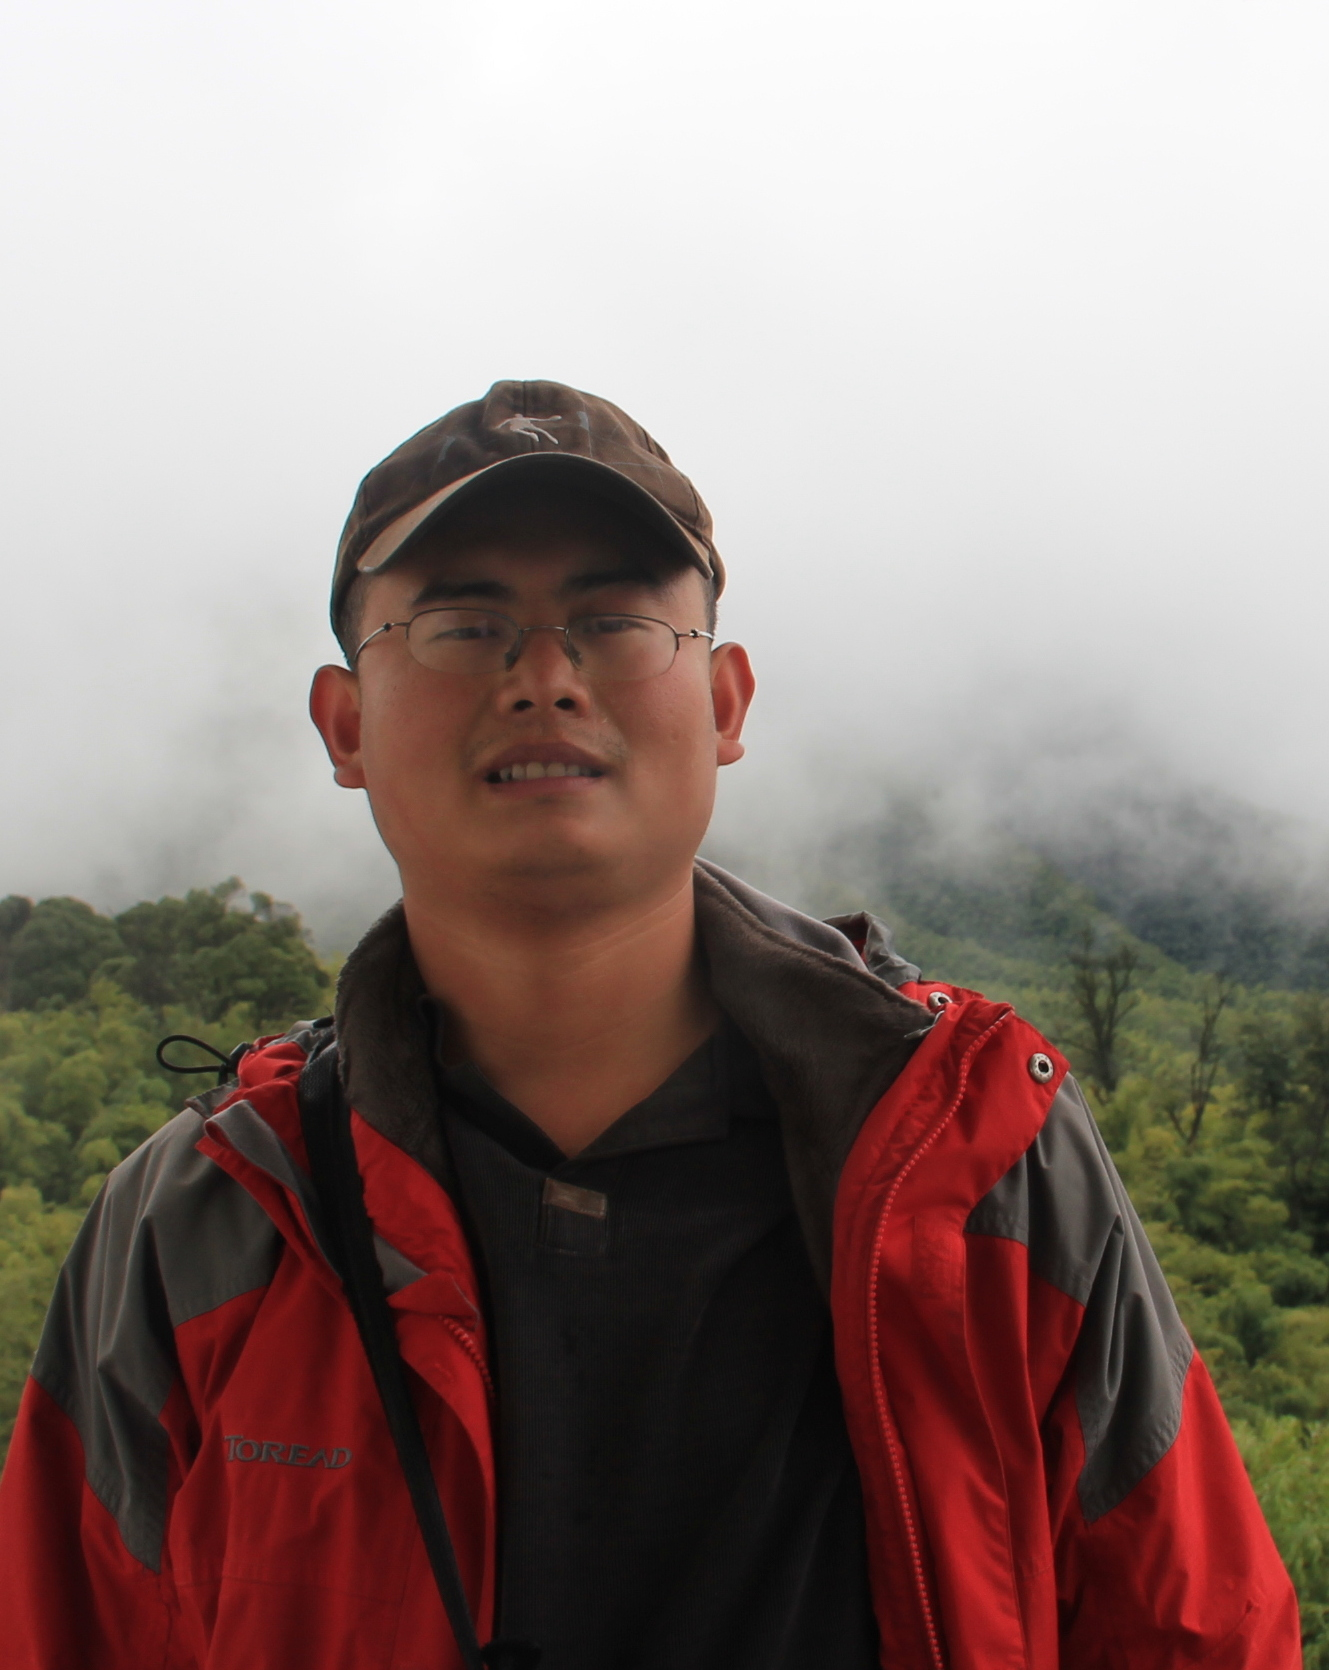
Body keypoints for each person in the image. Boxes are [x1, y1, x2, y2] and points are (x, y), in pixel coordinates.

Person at [0, 380, 1299, 1669]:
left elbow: (1199, 1630)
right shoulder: (205, 1224)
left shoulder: (980, 1156)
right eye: (463, 624)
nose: (544, 679)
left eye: (615, 621)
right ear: (345, 726)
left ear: (726, 704)